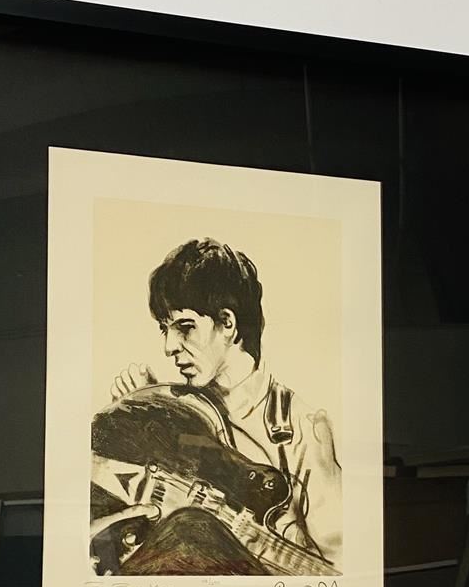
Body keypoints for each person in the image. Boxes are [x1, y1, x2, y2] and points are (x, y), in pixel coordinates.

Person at [104, 238, 343, 570]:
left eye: (185, 327)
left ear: (227, 323)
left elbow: (337, 568)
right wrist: (139, 415)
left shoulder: (302, 427)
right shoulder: (168, 408)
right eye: (164, 329)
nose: (169, 346)